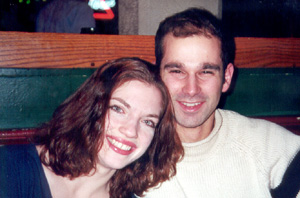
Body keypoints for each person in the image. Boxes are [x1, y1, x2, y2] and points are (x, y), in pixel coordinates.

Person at [142, 7, 300, 198]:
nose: (191, 89)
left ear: (226, 78)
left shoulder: (266, 145)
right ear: (157, 75)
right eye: (177, 71)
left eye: (206, 71)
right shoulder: (134, 150)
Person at [0, 57, 183, 198]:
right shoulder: (11, 168)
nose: (130, 130)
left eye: (148, 121)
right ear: (89, 108)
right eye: (118, 109)